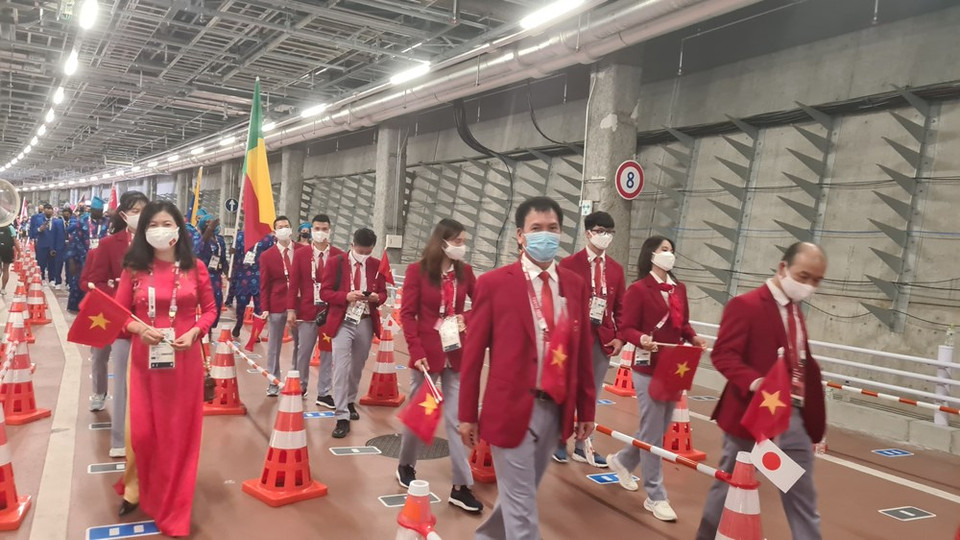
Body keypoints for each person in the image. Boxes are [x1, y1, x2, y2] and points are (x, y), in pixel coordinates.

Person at [459, 196, 596, 540]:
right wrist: (466, 414)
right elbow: (473, 356)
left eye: (553, 229)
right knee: (523, 511)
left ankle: (488, 536)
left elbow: (581, 353)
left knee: (520, 494)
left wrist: (587, 408)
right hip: (510, 409)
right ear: (521, 235)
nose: (545, 236)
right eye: (537, 229)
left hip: (556, 409)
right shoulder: (494, 283)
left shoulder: (574, 285)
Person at [695, 242, 827, 540]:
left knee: (802, 495)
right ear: (783, 268)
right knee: (731, 485)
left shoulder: (795, 312)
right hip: (752, 415)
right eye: (804, 276)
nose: (809, 286)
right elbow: (724, 355)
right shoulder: (746, 305)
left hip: (795, 419)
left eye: (816, 281)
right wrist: (756, 383)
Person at [114, 200, 217, 537]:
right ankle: (142, 488)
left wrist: (195, 331)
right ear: (144, 230)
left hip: (184, 362)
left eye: (166, 223)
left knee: (178, 438)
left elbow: (211, 310)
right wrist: (139, 328)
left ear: (178, 229)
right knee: (142, 434)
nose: (160, 229)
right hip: (145, 364)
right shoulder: (134, 268)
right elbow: (118, 313)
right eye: (153, 223)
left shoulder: (195, 267)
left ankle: (174, 506)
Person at [605, 235, 707, 522]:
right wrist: (642, 339)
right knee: (652, 431)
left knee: (658, 429)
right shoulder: (638, 289)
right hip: (646, 366)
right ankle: (656, 495)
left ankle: (622, 461)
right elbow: (626, 328)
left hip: (673, 365)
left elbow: (682, 323)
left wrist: (693, 336)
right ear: (651, 254)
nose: (669, 254)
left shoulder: (679, 289)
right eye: (664, 250)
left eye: (671, 250)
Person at [396, 218, 482, 513]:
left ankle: (461, 486)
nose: (462, 247)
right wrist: (415, 350)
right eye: (457, 241)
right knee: (421, 416)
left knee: (458, 420)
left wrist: (465, 320)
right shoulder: (417, 272)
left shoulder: (465, 272)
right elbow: (407, 315)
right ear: (442, 242)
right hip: (426, 356)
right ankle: (406, 464)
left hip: (456, 353)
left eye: (463, 241)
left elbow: (482, 304)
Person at [554, 211, 625, 467]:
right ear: (587, 233)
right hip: (573, 338)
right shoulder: (569, 265)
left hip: (602, 339)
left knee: (591, 394)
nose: (604, 236)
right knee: (566, 389)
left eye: (609, 232)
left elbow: (621, 307)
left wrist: (620, 337)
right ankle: (560, 440)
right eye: (599, 231)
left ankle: (584, 444)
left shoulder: (616, 269)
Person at [83, 191, 149, 449]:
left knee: (147, 381)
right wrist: (118, 296)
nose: (140, 215)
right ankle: (119, 438)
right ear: (124, 214)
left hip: (148, 320)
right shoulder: (110, 244)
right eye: (135, 210)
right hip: (116, 317)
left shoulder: (154, 244)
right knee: (114, 369)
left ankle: (145, 437)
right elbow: (97, 279)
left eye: (144, 209)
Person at [320, 227, 387, 438]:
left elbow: (384, 292)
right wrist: (345, 296)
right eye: (361, 251)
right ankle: (341, 416)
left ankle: (349, 401)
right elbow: (325, 292)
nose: (364, 256)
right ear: (352, 245)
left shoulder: (377, 266)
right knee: (340, 366)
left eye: (368, 252)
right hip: (342, 321)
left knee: (357, 365)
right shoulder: (336, 263)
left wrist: (378, 297)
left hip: (365, 321)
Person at [286, 214, 343, 404]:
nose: (320, 232)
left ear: (330, 230)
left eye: (324, 229)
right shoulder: (301, 254)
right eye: (317, 229)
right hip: (307, 310)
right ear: (311, 230)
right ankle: (300, 386)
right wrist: (291, 309)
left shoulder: (338, 255)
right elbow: (293, 284)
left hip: (330, 312)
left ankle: (324, 392)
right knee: (304, 351)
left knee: (327, 352)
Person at [258, 216, 304, 396]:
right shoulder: (267, 256)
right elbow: (264, 284)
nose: (284, 229)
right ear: (274, 232)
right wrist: (265, 308)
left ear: (291, 229)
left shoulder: (302, 251)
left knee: (300, 344)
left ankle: (296, 378)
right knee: (274, 346)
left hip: (299, 304)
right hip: (277, 303)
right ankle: (273, 381)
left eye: (286, 226)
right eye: (280, 227)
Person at [227, 229, 273, 337]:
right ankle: (238, 323)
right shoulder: (240, 236)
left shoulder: (268, 238)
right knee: (241, 305)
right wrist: (232, 253)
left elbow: (271, 257)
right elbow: (235, 257)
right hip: (243, 276)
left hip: (261, 277)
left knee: (260, 309)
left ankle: (255, 335)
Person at [70, 197, 110, 311]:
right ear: (91, 210)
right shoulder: (82, 221)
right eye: (96, 211)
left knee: (100, 283)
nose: (99, 214)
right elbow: (75, 240)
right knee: (83, 282)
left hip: (102, 259)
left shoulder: (107, 222)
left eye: (100, 211)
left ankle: (97, 306)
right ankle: (80, 306)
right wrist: (74, 259)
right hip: (83, 258)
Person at [190, 213, 227, 332]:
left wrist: (228, 273)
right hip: (199, 274)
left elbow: (222, 258)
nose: (211, 224)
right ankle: (196, 328)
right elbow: (197, 249)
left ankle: (209, 328)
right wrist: (209, 229)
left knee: (216, 303)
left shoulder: (219, 240)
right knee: (194, 302)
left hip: (215, 276)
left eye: (212, 222)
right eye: (207, 222)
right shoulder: (197, 237)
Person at [29, 204, 65, 287]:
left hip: (52, 246)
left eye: (50, 209)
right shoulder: (38, 220)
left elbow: (60, 235)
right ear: (44, 211)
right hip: (42, 245)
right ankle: (41, 278)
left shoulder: (58, 221)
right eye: (47, 209)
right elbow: (33, 232)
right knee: (41, 263)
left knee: (52, 263)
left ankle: (52, 279)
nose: (49, 211)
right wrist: (39, 229)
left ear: (53, 211)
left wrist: (58, 247)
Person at [0, 222, 19, 294]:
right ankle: (3, 288)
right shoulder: (10, 228)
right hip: (7, 250)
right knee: (5, 269)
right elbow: (15, 241)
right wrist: (19, 251)